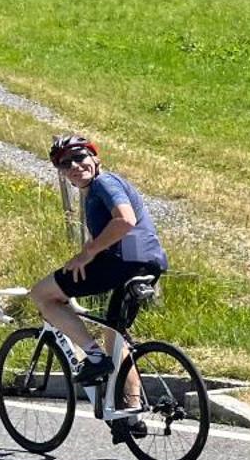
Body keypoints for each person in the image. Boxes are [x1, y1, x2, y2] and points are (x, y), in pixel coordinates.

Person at [30, 135, 169, 438]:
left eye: (80, 158)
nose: (75, 166)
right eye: (66, 164)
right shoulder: (97, 189)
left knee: (41, 294)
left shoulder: (105, 184)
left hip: (122, 265)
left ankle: (92, 357)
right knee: (115, 335)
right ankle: (130, 415)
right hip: (148, 264)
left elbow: (125, 221)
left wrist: (87, 253)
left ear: (95, 158)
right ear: (62, 172)